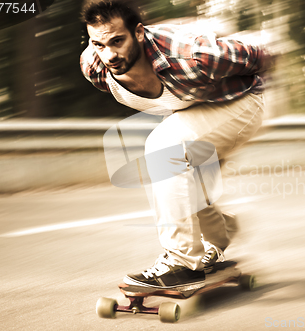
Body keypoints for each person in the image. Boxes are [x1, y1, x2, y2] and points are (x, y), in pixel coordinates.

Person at [80, 0, 267, 292]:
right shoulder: (94, 66)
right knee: (180, 173)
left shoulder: (192, 55)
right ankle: (220, 235)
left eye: (117, 41)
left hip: (242, 104)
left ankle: (182, 263)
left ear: (139, 33)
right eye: (99, 44)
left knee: (163, 146)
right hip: (193, 109)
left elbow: (258, 55)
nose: (109, 55)